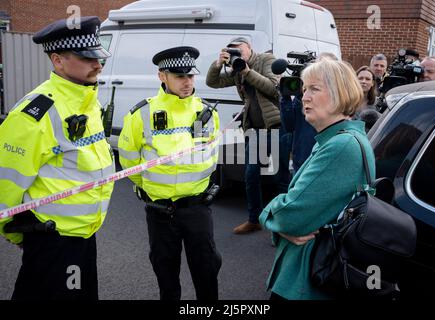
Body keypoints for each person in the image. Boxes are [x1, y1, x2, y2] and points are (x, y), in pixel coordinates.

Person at [0, 16, 114, 300]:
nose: (98, 64)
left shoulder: (89, 101)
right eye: (87, 58)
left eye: (98, 57)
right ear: (58, 60)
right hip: (53, 240)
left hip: (84, 236)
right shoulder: (35, 113)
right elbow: (6, 183)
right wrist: (19, 233)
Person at [259, 58, 376, 300]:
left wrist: (269, 214)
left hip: (307, 282)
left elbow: (290, 215)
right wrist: (283, 225)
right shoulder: (333, 139)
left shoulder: (341, 145)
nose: (305, 97)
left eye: (314, 88)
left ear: (340, 93)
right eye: (304, 90)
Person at [118, 46, 222, 301]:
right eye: (179, 76)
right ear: (162, 76)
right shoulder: (141, 114)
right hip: (160, 210)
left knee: (206, 270)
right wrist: (150, 187)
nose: (187, 82)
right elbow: (128, 157)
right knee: (165, 272)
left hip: (197, 208)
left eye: (190, 76)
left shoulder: (207, 113)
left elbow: (212, 157)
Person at [206, 37, 290, 234]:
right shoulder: (235, 69)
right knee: (251, 175)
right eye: (232, 50)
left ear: (249, 48)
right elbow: (213, 82)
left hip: (276, 127)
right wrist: (218, 64)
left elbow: (273, 88)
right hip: (255, 131)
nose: (236, 53)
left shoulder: (266, 60)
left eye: (239, 49)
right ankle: (254, 219)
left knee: (281, 177)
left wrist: (247, 71)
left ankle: (284, 223)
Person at [354, 66, 380, 132]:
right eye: (360, 78)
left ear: (372, 83)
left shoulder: (379, 103)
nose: (363, 81)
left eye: (367, 79)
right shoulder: (346, 101)